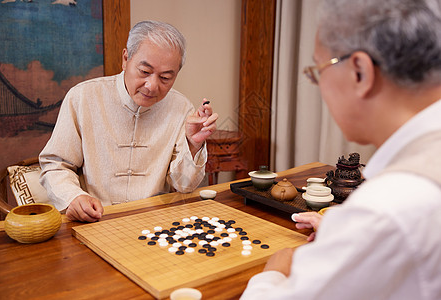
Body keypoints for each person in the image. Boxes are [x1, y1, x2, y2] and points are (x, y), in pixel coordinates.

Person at [241, 0, 441, 299]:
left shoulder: (390, 205)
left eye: (318, 71)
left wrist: (273, 273)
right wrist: (344, 229)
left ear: (360, 71)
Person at [39, 21, 218, 222]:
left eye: (165, 78)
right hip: (95, 221)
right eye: (144, 71)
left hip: (156, 223)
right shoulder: (83, 97)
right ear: (126, 59)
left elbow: (183, 186)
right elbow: (56, 165)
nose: (151, 86)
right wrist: (73, 197)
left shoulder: (180, 107)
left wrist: (193, 145)